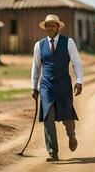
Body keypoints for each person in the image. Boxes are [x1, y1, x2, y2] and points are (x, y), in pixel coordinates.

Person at [31, 14, 83, 161]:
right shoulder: (39, 45)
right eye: (48, 25)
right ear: (45, 28)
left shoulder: (68, 42)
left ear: (58, 27)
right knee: (48, 116)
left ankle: (71, 134)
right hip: (46, 85)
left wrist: (79, 81)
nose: (50, 28)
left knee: (67, 115)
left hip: (63, 84)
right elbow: (36, 67)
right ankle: (53, 152)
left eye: (53, 25)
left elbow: (76, 63)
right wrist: (33, 87)